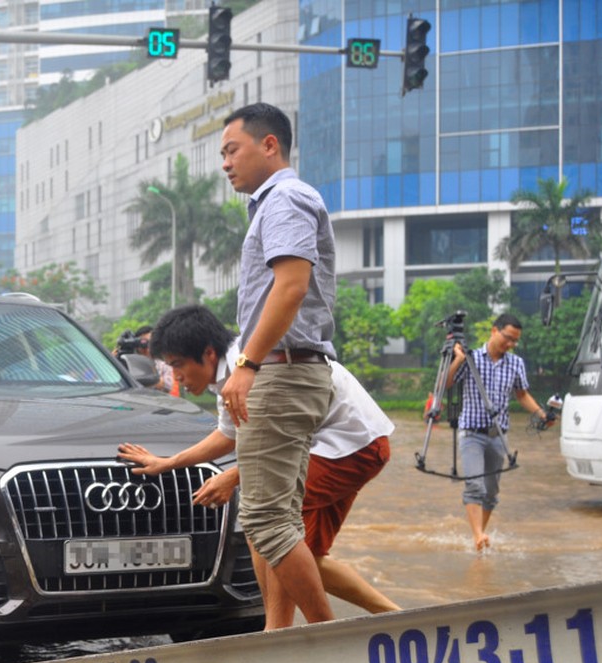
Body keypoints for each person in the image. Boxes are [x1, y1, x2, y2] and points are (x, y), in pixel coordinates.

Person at [118, 305, 399, 629]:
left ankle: (280, 631)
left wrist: (235, 476)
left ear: (208, 353)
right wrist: (168, 463)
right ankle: (395, 616)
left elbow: (278, 450)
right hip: (346, 443)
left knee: (265, 521)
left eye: (178, 365)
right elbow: (230, 433)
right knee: (306, 555)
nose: (175, 377)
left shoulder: (254, 367)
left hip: (349, 446)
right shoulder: (233, 373)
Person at [215, 102, 338, 624]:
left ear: (270, 145)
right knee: (276, 517)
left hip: (282, 371)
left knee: (264, 519)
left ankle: (330, 638)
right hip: (290, 370)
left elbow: (290, 287)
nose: (224, 163)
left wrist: (246, 363)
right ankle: (275, 634)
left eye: (231, 150)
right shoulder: (275, 203)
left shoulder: (285, 198)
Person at [448, 313, 555, 551]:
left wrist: (541, 414)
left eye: (515, 341)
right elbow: (446, 383)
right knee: (475, 486)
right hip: (471, 433)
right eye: (508, 338)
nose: (511, 344)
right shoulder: (472, 358)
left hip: (499, 435)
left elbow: (522, 394)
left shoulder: (516, 363)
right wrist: (457, 359)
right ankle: (477, 535)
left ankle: (480, 535)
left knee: (492, 492)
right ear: (494, 331)